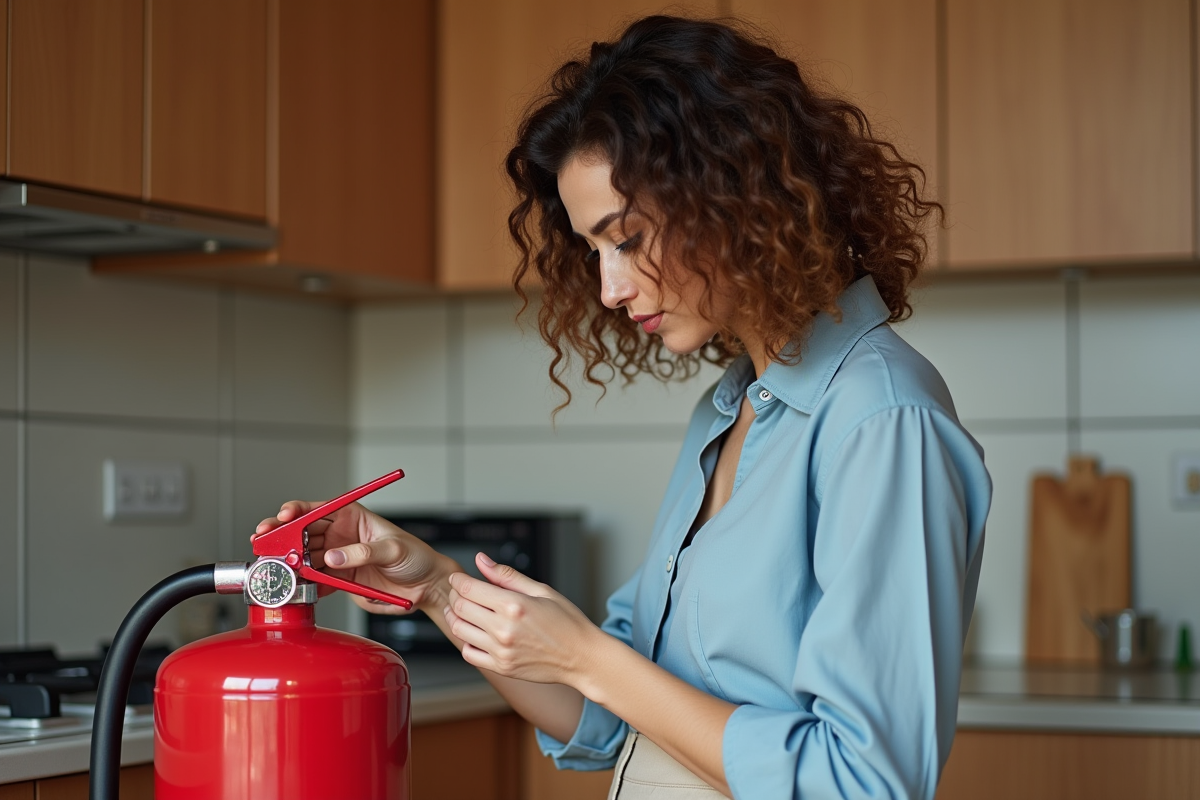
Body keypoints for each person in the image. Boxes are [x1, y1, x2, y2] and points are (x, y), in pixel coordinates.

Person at [256, 15, 990, 799]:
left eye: (629, 238)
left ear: (735, 196)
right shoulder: (730, 409)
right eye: (593, 250)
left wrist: (586, 656)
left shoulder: (881, 420)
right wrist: (433, 587)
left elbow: (865, 784)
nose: (609, 289)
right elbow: (604, 718)